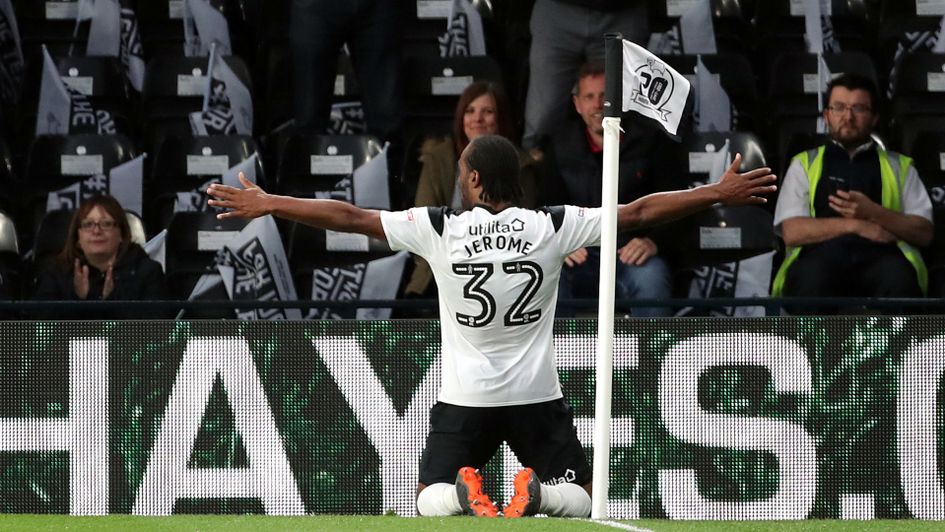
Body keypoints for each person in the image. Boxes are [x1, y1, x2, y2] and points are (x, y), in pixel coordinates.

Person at [207, 134, 776, 518]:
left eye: (460, 173)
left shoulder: (440, 228)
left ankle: (461, 493)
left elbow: (352, 218)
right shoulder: (553, 225)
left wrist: (271, 202)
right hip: (534, 394)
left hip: (465, 396)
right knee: (581, 494)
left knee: (428, 494)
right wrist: (716, 193)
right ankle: (538, 499)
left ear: (475, 179)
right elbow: (641, 213)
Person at [771, 74, 933, 314]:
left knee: (900, 281)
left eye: (859, 108)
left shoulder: (900, 166)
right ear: (827, 116)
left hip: (882, 257)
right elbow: (792, 232)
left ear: (874, 118)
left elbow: (924, 233)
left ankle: (897, 352)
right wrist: (857, 225)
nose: (848, 117)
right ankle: (814, 353)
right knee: (809, 281)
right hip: (820, 256)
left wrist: (874, 212)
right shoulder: (804, 163)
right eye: (839, 108)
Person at [540, 63, 673, 317]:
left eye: (605, 95)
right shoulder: (558, 145)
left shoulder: (652, 141)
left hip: (631, 255)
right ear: (577, 104)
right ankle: (561, 358)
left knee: (652, 280)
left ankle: (652, 357)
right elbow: (546, 207)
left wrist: (654, 241)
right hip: (578, 254)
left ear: (620, 100)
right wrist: (561, 243)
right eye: (589, 97)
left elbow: (673, 201)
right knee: (548, 279)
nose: (598, 104)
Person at [407, 80, 540, 298]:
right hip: (441, 270)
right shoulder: (438, 158)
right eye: (470, 111)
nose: (477, 119)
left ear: (501, 119)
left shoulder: (522, 165)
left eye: (487, 111)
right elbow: (424, 223)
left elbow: (525, 227)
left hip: (502, 271)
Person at [522, 0, 649, 149]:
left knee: (623, 115)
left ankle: (626, 171)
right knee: (543, 119)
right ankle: (535, 167)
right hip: (556, 11)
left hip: (623, 13)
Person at [32, 195, 167, 318]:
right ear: (78, 237)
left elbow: (157, 333)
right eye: (88, 224)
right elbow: (40, 334)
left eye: (106, 224)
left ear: (122, 234)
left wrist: (112, 302)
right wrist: (77, 301)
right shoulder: (55, 273)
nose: (96, 231)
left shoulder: (148, 272)